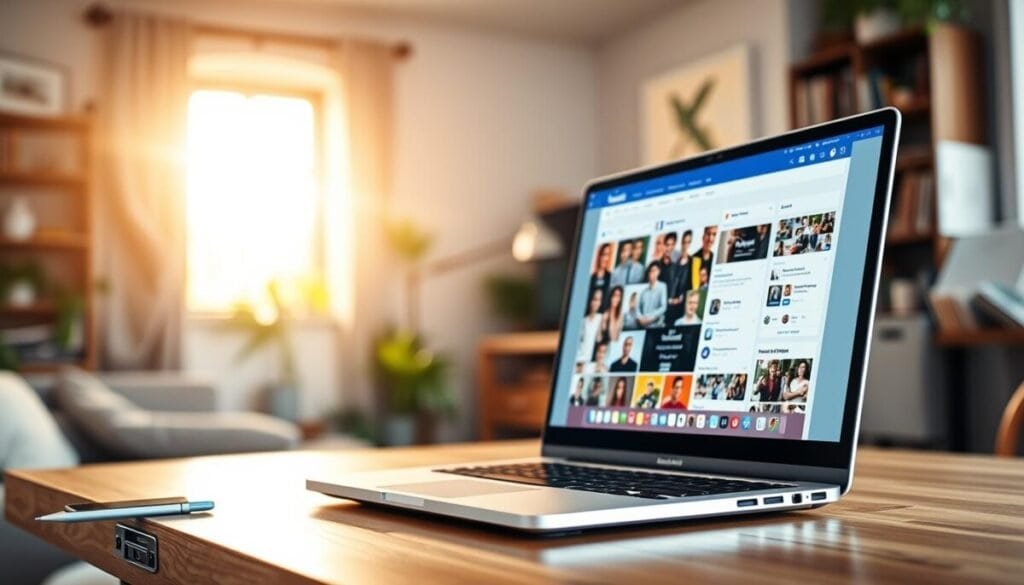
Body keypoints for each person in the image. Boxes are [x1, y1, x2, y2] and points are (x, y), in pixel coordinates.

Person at [576, 288, 603, 362]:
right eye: (595, 299)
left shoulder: (601, 318)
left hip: (593, 360)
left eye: (599, 300)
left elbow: (599, 339)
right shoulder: (583, 320)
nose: (596, 303)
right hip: (581, 358)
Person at [637, 263, 667, 328]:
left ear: (658, 272)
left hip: (657, 325)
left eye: (654, 270)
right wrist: (640, 318)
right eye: (650, 271)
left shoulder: (662, 286)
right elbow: (638, 307)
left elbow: (663, 307)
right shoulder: (644, 291)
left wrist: (650, 318)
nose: (652, 273)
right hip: (644, 325)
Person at [690, 225, 717, 290]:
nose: (710, 238)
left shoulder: (715, 259)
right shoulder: (693, 258)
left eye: (714, 234)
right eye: (708, 234)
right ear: (703, 236)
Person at [588, 243, 613, 312]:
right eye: (604, 254)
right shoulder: (591, 278)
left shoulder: (611, 277)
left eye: (608, 255)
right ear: (599, 256)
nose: (605, 258)